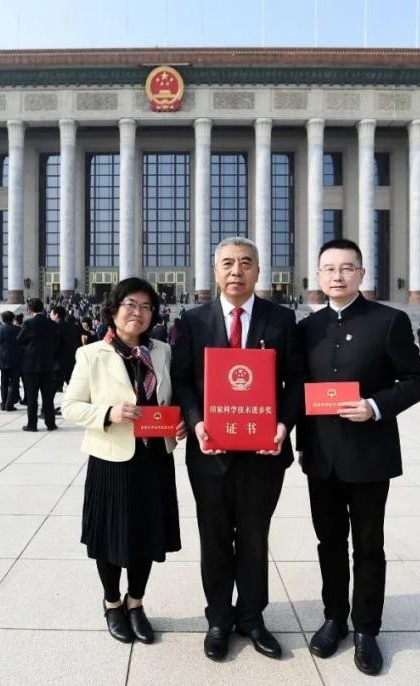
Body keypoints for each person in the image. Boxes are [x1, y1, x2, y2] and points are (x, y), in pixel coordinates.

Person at [298, 238, 420, 676]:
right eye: (329, 269)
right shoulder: (306, 328)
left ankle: (367, 628)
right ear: (318, 276)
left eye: (346, 268)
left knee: (369, 545)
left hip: (369, 455)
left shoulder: (388, 321)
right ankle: (335, 616)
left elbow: (417, 380)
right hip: (321, 457)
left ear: (361, 274)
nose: (337, 276)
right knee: (329, 542)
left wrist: (375, 406)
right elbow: (294, 391)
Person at [171, 237, 304, 662]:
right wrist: (196, 423)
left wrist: (283, 424)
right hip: (210, 452)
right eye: (227, 263)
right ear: (214, 271)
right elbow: (184, 380)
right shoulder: (192, 321)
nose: (236, 271)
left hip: (264, 454)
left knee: (253, 535)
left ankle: (252, 616)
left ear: (258, 271)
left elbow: (296, 381)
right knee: (213, 538)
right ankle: (218, 619)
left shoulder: (281, 319)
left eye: (246, 263)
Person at [63, 277, 187, 645]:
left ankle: (136, 603)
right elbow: (70, 406)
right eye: (130, 305)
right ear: (114, 311)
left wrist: (178, 422)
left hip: (154, 458)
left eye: (146, 307)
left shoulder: (162, 351)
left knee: (148, 536)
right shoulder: (91, 354)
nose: (138, 313)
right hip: (113, 459)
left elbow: (170, 397)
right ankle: (112, 601)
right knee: (110, 537)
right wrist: (108, 413)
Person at [17, 298, 59, 432]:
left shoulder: (28, 323)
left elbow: (19, 340)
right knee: (47, 397)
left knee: (32, 397)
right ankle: (50, 423)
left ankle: (32, 424)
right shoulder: (51, 324)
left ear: (29, 310)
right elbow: (56, 342)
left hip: (30, 365)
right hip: (47, 364)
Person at [0, 310, 22, 411]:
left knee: (4, 382)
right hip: (15, 358)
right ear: (13, 318)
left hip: (2, 357)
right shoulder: (18, 329)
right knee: (14, 382)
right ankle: (9, 404)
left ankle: (3, 402)